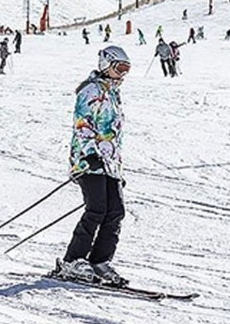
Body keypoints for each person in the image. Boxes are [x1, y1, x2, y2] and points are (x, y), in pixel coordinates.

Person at [56, 45, 131, 286]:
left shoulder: (112, 93)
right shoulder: (91, 90)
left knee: (116, 211)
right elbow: (83, 123)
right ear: (106, 64)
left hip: (109, 164)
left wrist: (117, 168)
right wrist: (89, 154)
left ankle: (100, 261)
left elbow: (113, 133)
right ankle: (73, 260)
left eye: (126, 69)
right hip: (88, 161)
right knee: (97, 209)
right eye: (120, 68)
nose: (123, 74)